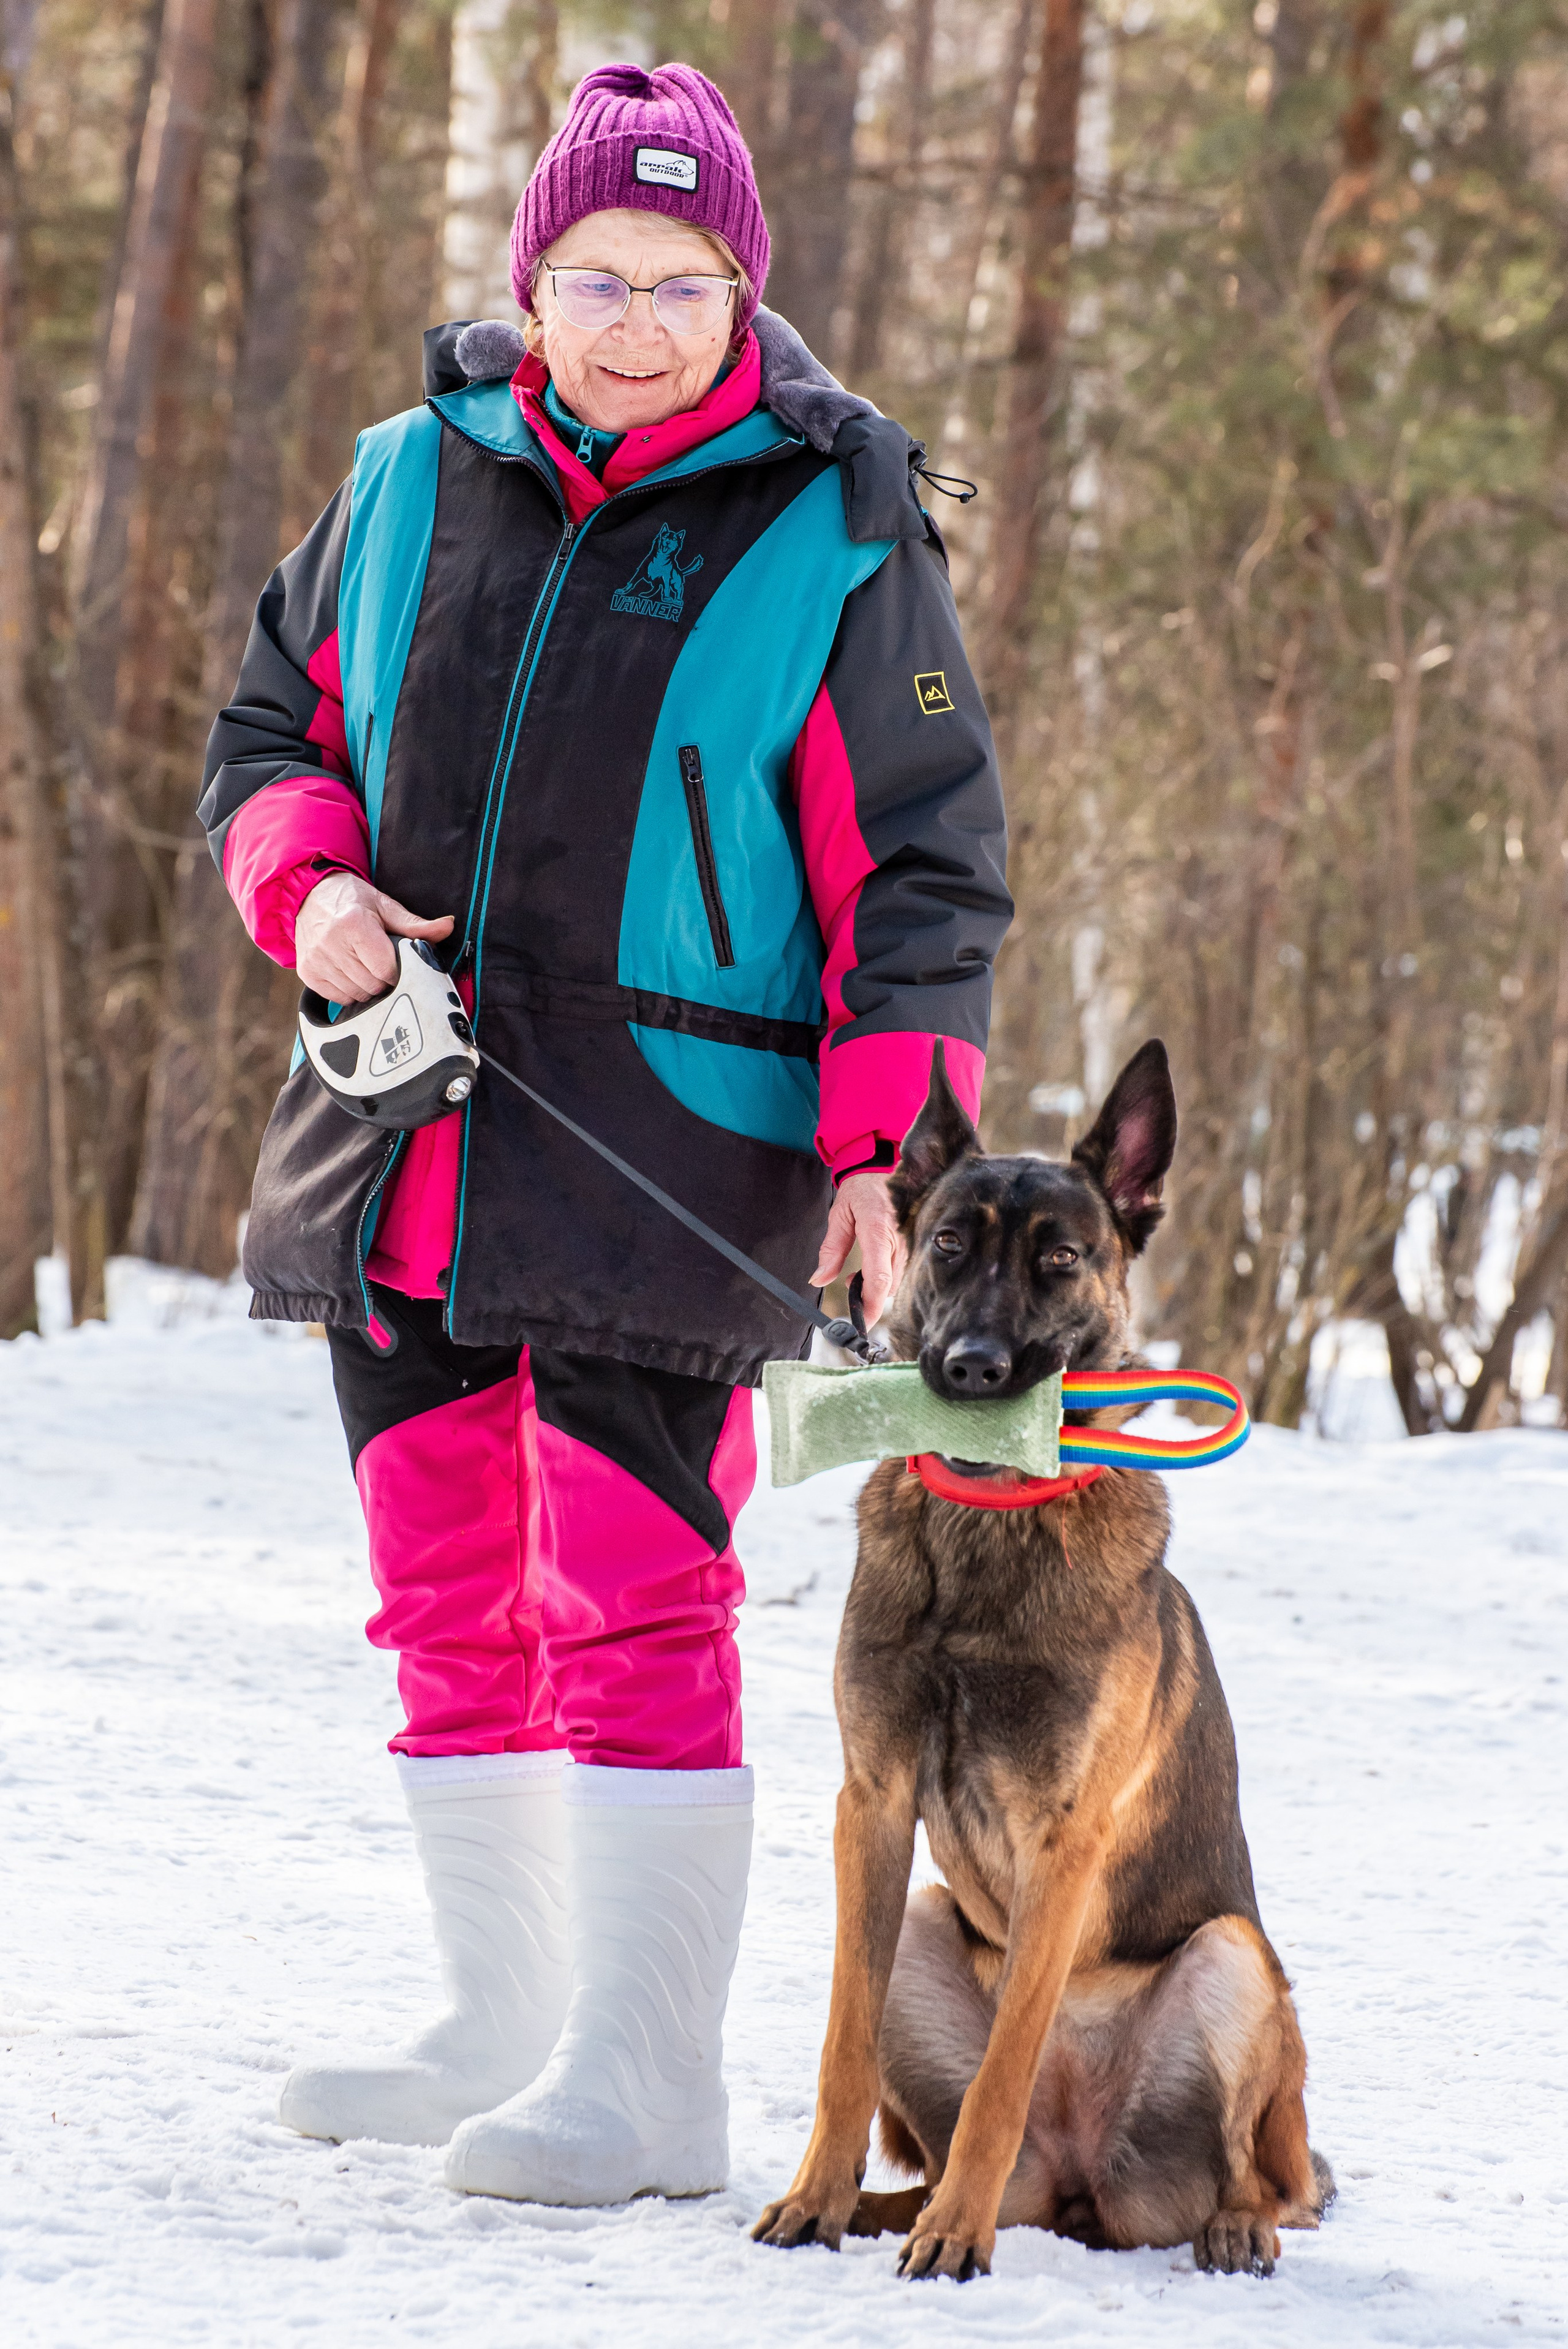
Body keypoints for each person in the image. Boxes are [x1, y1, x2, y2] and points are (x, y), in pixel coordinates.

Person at [201, 59, 1010, 2209]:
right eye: (595, 275)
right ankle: (503, 2019)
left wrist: (886, 1160)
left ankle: (650, 2082)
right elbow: (273, 727)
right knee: (444, 1584)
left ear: (743, 288)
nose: (636, 319)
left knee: (637, 1593)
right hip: (402, 1133)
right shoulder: (397, 479)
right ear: (528, 277)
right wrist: (318, 890)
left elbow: (923, 869)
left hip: (679, 1143)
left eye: (682, 279)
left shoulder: (836, 520)